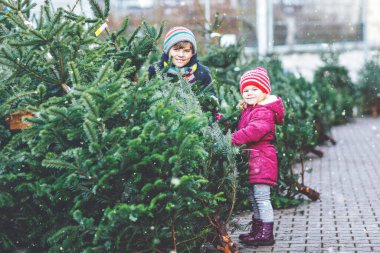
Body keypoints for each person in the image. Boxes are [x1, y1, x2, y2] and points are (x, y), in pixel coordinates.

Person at [231, 67, 285, 246]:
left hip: (262, 159)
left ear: (264, 92)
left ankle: (266, 234)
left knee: (262, 198)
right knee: (254, 198)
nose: (249, 93)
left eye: (254, 89)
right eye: (246, 90)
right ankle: (257, 230)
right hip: (254, 159)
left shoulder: (263, 111)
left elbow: (253, 131)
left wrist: (232, 139)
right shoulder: (250, 109)